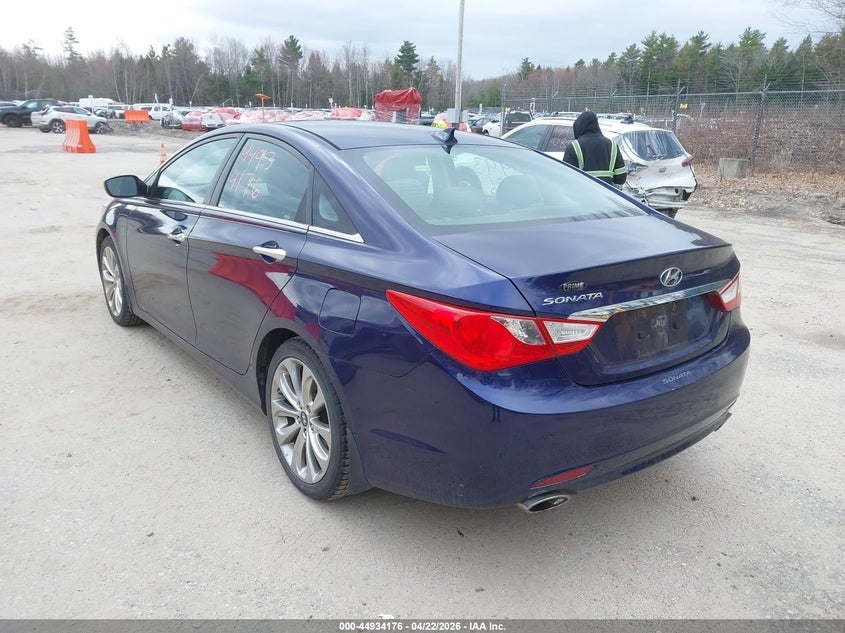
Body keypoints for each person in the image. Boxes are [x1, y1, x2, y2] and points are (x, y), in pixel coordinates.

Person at [563, 111, 627, 186]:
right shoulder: (612, 145)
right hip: (606, 195)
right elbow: (621, 177)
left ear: (578, 127)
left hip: (582, 195)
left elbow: (566, 177)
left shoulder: (574, 146)